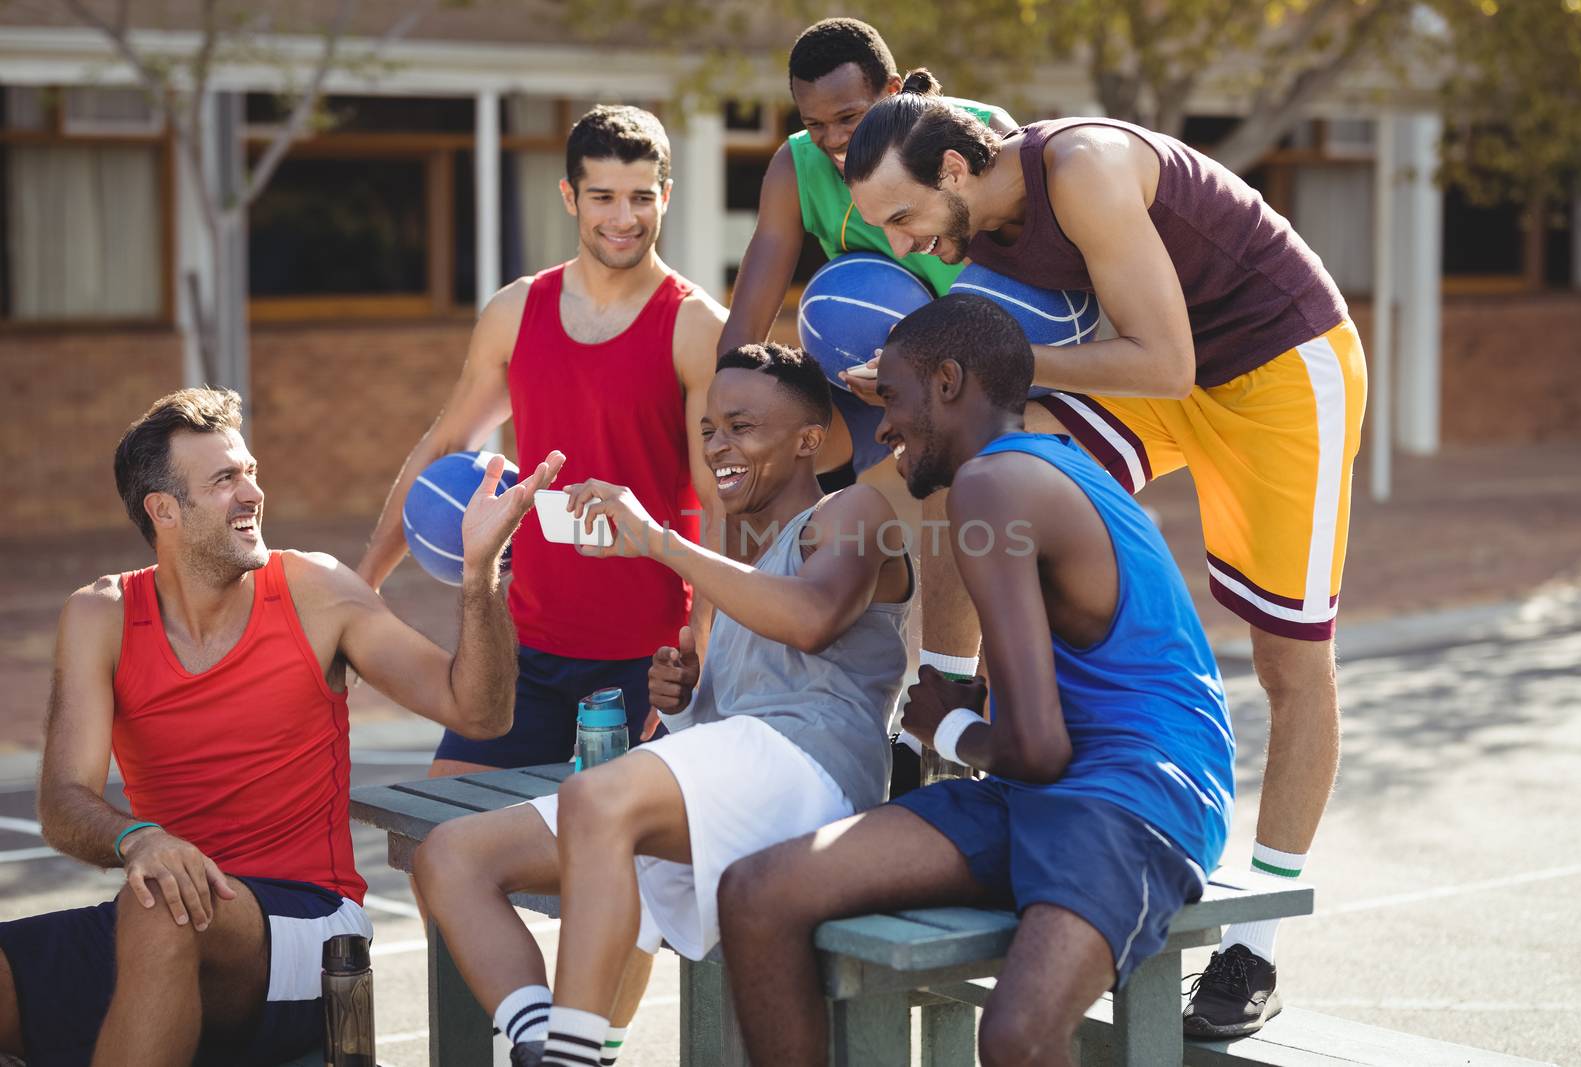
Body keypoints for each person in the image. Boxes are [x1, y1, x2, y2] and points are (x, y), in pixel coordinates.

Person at [838, 81, 1368, 1034]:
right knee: (974, 453)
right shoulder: (972, 210)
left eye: (907, 218)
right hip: (1161, 366)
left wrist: (993, 372)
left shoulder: (1078, 169)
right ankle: (948, 727)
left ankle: (1255, 949)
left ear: (955, 170)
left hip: (1279, 363)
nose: (906, 244)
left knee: (1290, 657)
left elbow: (1165, 362)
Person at [718, 296, 1235, 1067]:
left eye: (892, 396)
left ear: (950, 383)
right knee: (758, 894)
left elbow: (1035, 744)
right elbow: (1037, 736)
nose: (884, 427)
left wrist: (947, 726)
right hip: (1045, 784)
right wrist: (973, 717)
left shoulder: (990, 489)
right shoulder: (1029, 470)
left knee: (1017, 1038)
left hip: (1139, 788)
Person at [0, 387, 547, 1067]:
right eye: (226, 479)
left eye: (251, 471)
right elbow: (61, 800)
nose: (252, 493)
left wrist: (478, 574)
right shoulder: (101, 615)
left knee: (163, 911)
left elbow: (480, 710)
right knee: (154, 912)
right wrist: (139, 838)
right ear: (164, 510)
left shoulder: (317, 590)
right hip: (168, 914)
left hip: (311, 927)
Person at [411, 344, 913, 1067]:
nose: (718, 446)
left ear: (809, 438)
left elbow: (813, 617)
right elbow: (733, 728)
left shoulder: (853, 509)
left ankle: (569, 1056)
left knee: (597, 795)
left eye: (742, 426)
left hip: (823, 776)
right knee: (452, 855)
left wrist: (658, 541)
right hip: (745, 783)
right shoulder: (742, 568)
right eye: (709, 429)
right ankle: (540, 1040)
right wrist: (684, 702)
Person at [357, 104, 726, 777]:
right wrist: (362, 588)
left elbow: (720, 504)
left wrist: (698, 652)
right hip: (526, 648)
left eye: (642, 197)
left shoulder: (696, 326)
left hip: (649, 658)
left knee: (629, 867)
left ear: (666, 197)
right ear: (569, 197)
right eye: (603, 197)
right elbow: (444, 447)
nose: (624, 217)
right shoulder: (515, 311)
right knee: (442, 836)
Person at [719, 21, 1015, 781]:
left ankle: (943, 716)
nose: (831, 141)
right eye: (813, 124)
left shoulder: (971, 144)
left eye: (848, 119)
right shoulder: (795, 169)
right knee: (766, 459)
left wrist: (920, 361)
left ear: (893, 94)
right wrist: (733, 416)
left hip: (975, 366)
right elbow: (755, 293)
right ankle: (754, 684)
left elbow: (1027, 299)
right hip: (860, 374)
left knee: (958, 491)